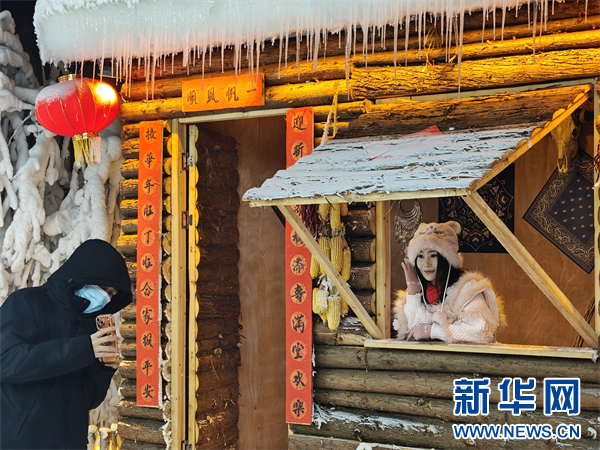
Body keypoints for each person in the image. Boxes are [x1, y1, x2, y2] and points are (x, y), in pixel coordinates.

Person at [1, 239, 132, 449]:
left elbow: (88, 400)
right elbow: (7, 362)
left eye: (111, 295)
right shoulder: (26, 302)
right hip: (22, 442)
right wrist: (83, 349)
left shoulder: (90, 326)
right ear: (84, 274)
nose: (105, 298)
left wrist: (103, 370)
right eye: (104, 288)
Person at [393, 221, 504, 343]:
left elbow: (482, 331)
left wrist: (432, 331)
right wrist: (413, 290)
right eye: (420, 256)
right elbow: (413, 332)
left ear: (447, 259)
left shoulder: (467, 289)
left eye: (433, 256)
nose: (426, 264)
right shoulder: (421, 292)